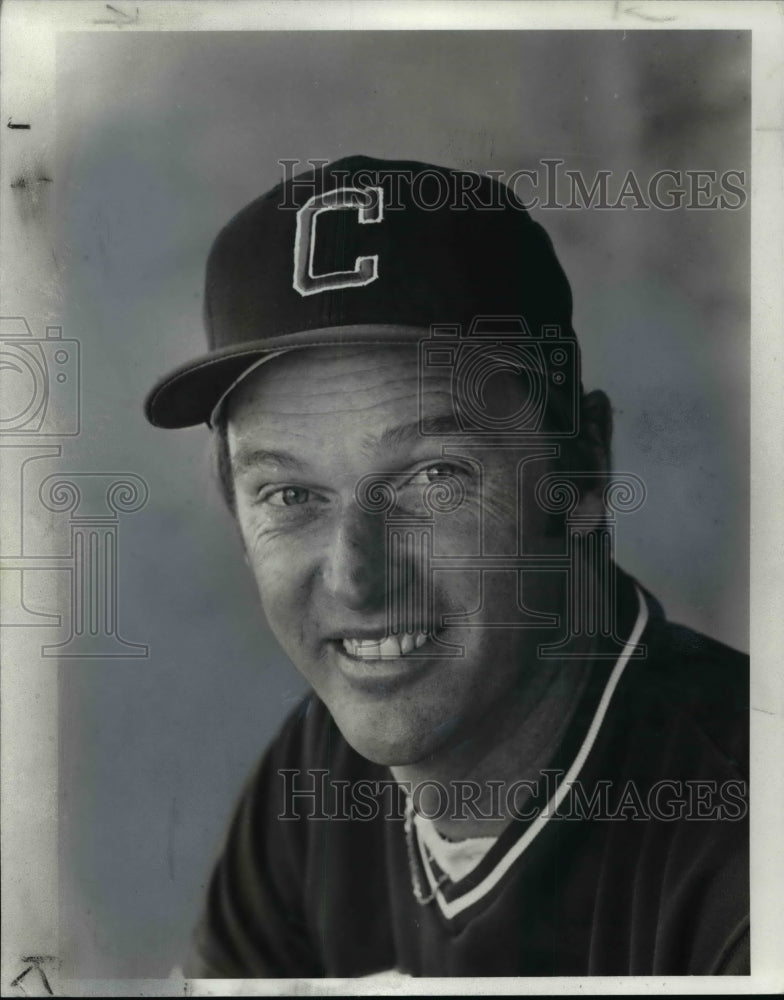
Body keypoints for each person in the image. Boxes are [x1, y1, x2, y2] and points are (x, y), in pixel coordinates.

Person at [144, 156, 749, 978]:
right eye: (290, 494)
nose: (356, 577)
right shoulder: (318, 773)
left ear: (580, 474)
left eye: (433, 478)